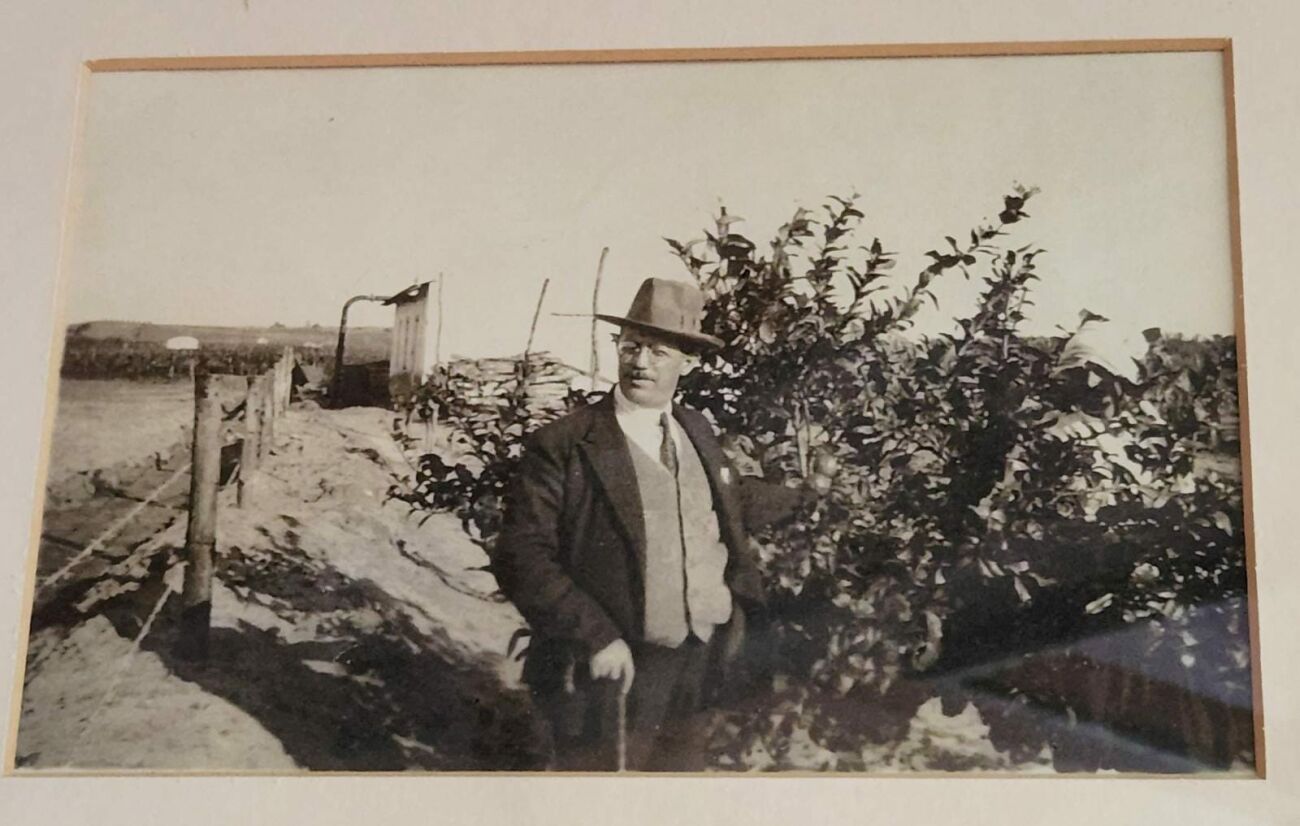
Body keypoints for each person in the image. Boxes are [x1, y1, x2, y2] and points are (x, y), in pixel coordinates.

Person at [492, 277, 799, 771]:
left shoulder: (695, 429)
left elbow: (727, 502)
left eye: (658, 352)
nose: (641, 363)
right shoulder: (566, 444)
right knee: (604, 797)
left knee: (675, 793)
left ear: (687, 362)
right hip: (613, 669)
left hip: (697, 660)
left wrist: (808, 499)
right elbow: (521, 554)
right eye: (631, 346)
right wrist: (595, 636)